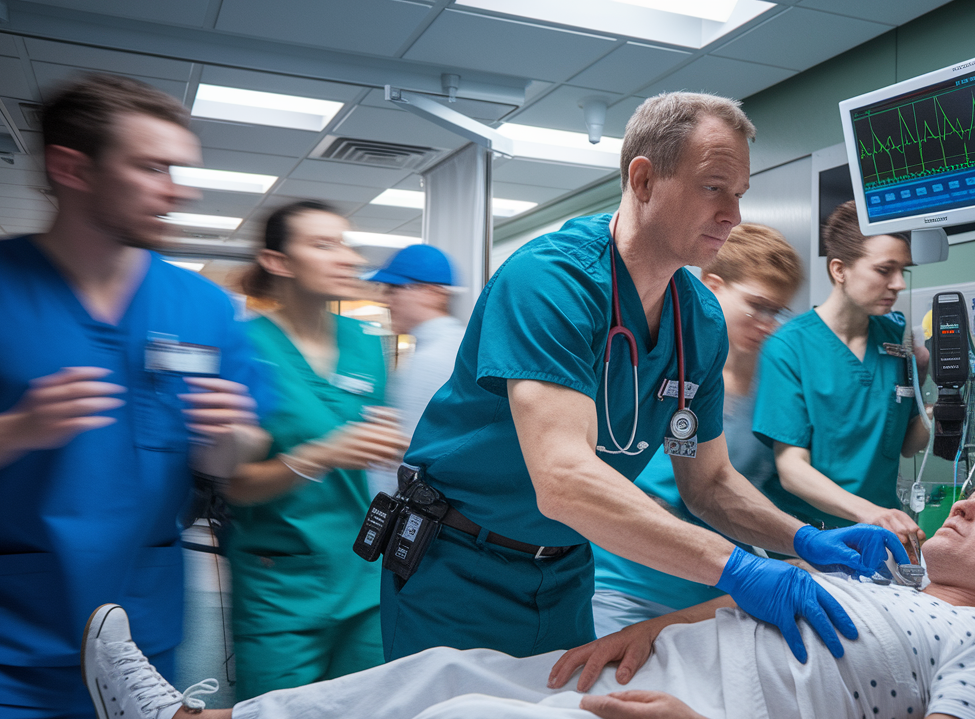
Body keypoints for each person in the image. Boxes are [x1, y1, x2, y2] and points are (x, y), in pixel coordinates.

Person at [27, 454, 975, 719]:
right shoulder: (888, 581)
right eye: (971, 488)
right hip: (665, 678)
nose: (962, 500)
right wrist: (681, 617)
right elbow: (763, 605)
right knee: (448, 666)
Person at [376, 91, 908, 664]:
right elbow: (563, 479)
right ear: (645, 179)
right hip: (458, 567)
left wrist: (802, 539)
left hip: (564, 572)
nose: (732, 213)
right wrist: (739, 568)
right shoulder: (551, 282)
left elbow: (707, 484)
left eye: (739, 194)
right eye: (713, 187)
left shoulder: (699, 321)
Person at [0, 73, 267, 719]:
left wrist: (225, 440)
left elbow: (238, 463)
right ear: (72, 168)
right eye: (151, 167)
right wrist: (15, 429)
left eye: (178, 169)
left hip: (139, 652)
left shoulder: (205, 310)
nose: (177, 189)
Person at [221, 201, 409, 699]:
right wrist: (322, 454)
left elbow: (373, 440)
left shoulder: (366, 342)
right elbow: (236, 486)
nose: (346, 257)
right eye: (323, 245)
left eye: (346, 243)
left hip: (360, 574)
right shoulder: (244, 347)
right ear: (278, 261)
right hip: (280, 581)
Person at [592, 223, 804, 636]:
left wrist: (798, 543)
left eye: (777, 312)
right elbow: (608, 479)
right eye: (756, 306)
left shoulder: (774, 384)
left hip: (714, 597)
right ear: (712, 284)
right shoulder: (656, 364)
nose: (767, 323)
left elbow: (748, 486)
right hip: (626, 583)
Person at [753, 200, 931, 554]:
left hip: (881, 540)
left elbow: (908, 446)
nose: (898, 284)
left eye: (903, 272)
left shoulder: (896, 339)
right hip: (809, 542)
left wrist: (947, 399)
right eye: (885, 270)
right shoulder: (789, 347)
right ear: (840, 269)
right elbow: (792, 470)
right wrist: (874, 515)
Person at [363, 243, 466, 494]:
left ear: (432, 292)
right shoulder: (459, 344)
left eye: (394, 290)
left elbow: (402, 462)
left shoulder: (431, 360)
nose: (385, 301)